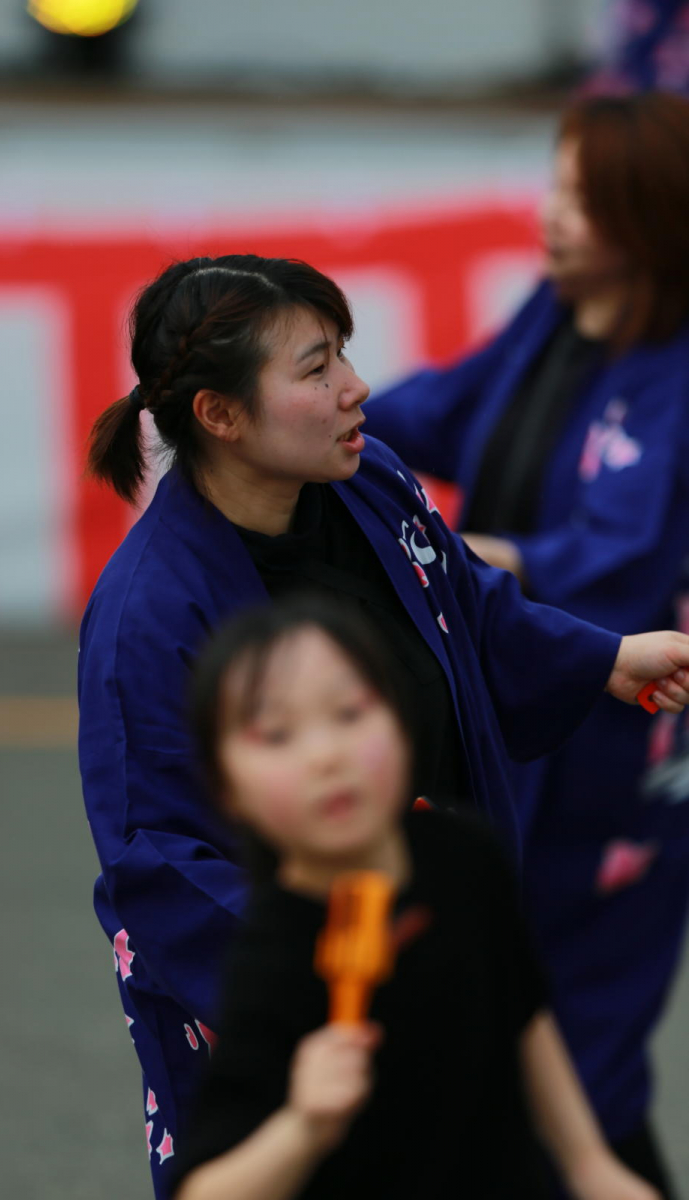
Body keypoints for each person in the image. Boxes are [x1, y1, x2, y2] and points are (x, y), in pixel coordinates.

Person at [77, 252, 689, 1197]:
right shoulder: (148, 618)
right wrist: (321, 982)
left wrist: (603, 660)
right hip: (299, 1013)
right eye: (317, 369)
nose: (358, 389)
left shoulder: (367, 481)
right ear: (221, 415)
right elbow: (155, 858)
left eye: (344, 357)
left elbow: (466, 601)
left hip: (428, 940)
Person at [363, 92, 689, 1194]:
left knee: (572, 1047)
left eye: (585, 196)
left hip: (621, 754)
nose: (554, 214)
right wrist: (313, 413)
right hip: (513, 717)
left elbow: (617, 562)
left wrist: (448, 559)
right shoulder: (551, 314)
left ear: (655, 212)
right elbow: (437, 411)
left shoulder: (675, 371)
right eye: (553, 184)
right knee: (513, 1033)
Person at [172, 596, 660, 1200]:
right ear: (227, 792)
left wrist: (589, 1165)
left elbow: (522, 1014)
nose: (327, 756)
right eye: (276, 734)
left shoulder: (463, 853)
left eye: (350, 713)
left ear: (403, 725)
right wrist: (303, 1125)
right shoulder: (270, 956)